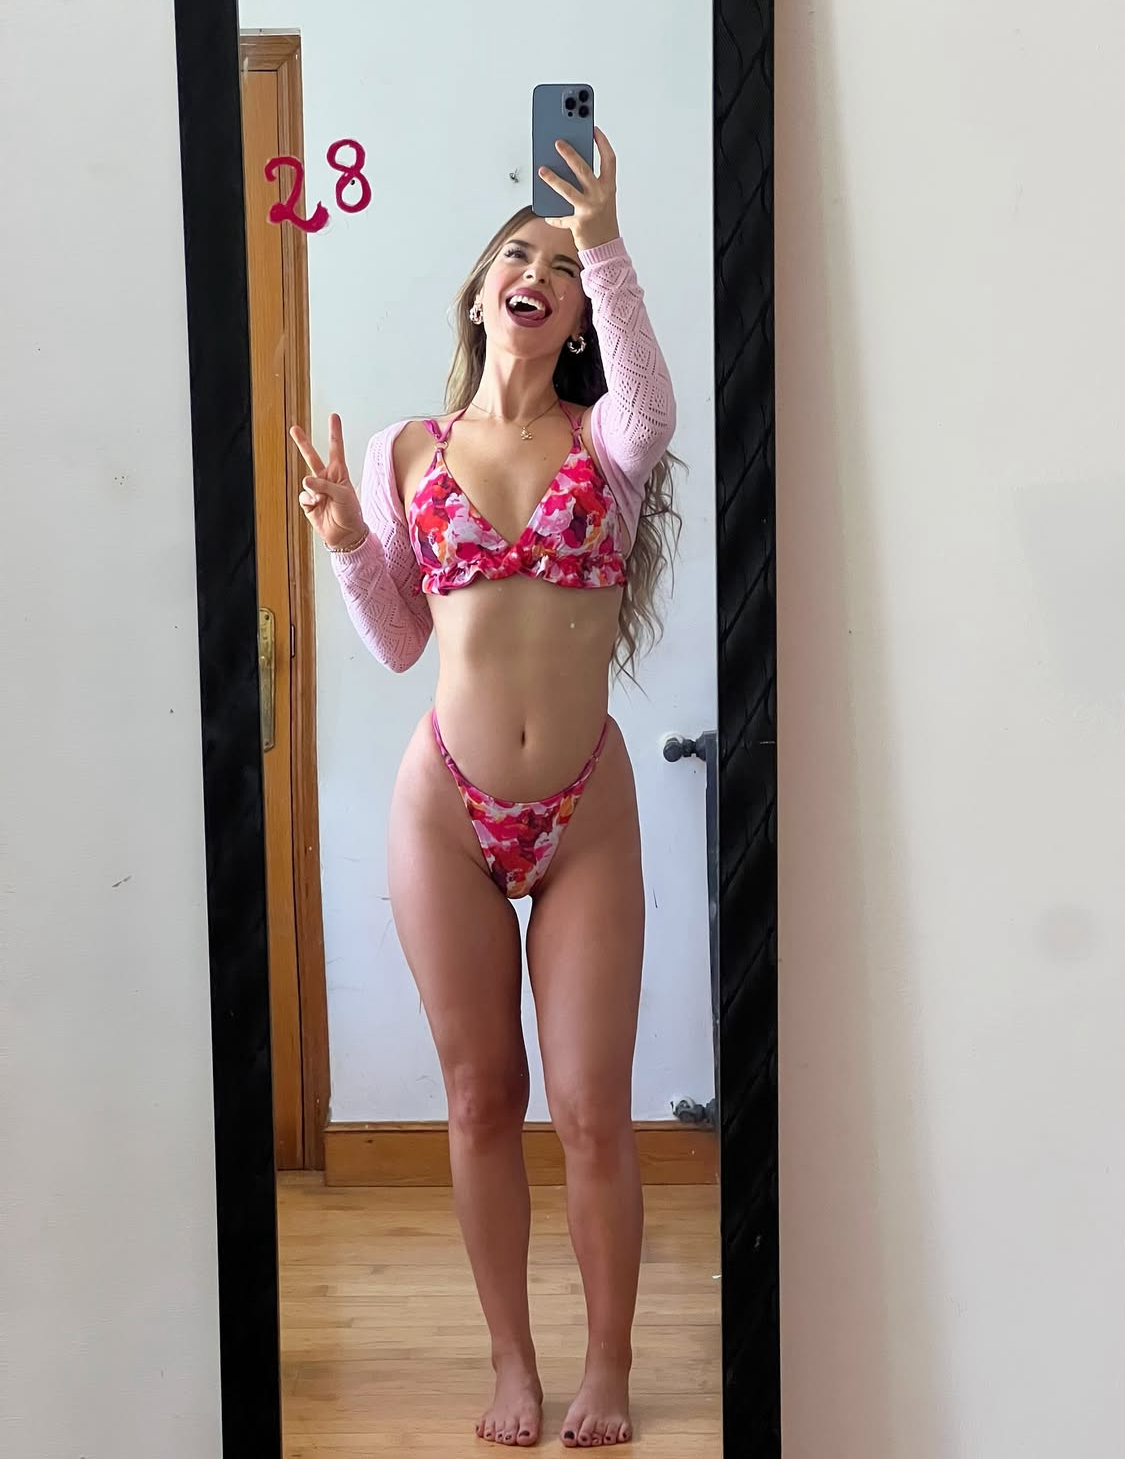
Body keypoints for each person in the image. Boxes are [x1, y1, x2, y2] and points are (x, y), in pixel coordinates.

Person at [291, 129, 677, 1451]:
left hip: (583, 812)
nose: (539, 275)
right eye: (520, 254)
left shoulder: (606, 442)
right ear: (478, 292)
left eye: (563, 271)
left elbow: (654, 410)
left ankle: (608, 1364)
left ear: (580, 316)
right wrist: (350, 543)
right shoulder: (405, 450)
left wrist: (604, 237)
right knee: (478, 1097)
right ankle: (511, 1361)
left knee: (590, 1111)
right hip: (444, 811)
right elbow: (401, 643)